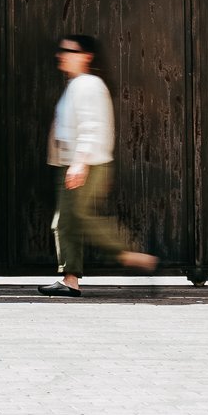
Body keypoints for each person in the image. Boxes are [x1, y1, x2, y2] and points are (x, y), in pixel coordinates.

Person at [39, 34, 156, 296]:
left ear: (87, 56)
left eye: (70, 51)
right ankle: (70, 280)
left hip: (83, 163)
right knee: (67, 221)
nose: (63, 55)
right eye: (62, 50)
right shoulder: (77, 85)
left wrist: (80, 162)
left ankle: (129, 254)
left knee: (75, 219)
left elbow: (93, 126)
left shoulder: (88, 85)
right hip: (72, 163)